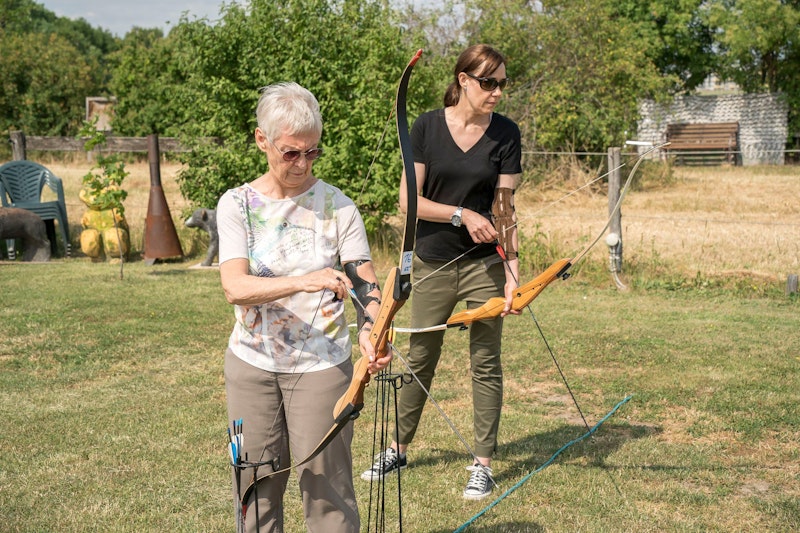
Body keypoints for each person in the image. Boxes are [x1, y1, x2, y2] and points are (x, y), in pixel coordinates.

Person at [217, 82, 390, 532]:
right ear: (262, 140)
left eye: (312, 152)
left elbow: (365, 284)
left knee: (326, 488)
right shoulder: (237, 205)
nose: (302, 163)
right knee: (254, 488)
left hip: (322, 367)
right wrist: (306, 280)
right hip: (252, 365)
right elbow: (234, 286)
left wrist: (373, 329)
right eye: (291, 152)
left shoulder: (339, 206)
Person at [361, 44, 522, 501]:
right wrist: (461, 215)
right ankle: (397, 449)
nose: (496, 92)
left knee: (486, 361)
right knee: (419, 357)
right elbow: (408, 201)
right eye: (488, 83)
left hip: (485, 265)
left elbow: (504, 208)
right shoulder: (427, 127)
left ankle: (482, 464)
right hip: (432, 260)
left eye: (502, 84)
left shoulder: (506, 133)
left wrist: (513, 271)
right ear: (464, 80)